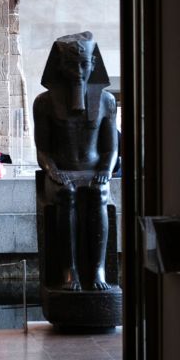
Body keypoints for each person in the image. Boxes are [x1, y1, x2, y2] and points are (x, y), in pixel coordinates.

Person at [33, 31, 118, 291]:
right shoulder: (45, 102)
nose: (79, 71)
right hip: (62, 171)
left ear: (94, 64)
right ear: (60, 66)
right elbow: (43, 150)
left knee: (98, 193)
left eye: (84, 64)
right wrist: (53, 171)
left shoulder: (106, 101)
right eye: (71, 64)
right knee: (66, 194)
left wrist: (105, 169)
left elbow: (111, 149)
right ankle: (69, 270)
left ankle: (97, 270)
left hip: (93, 170)